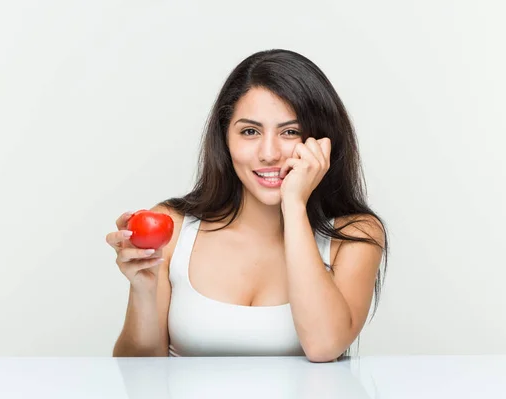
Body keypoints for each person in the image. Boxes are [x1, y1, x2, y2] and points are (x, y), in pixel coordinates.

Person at [106, 49, 389, 362]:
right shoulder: (172, 226)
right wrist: (143, 290)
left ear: (322, 142)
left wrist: (294, 205)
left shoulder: (355, 235)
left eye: (290, 132)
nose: (268, 153)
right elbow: (137, 372)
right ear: (225, 139)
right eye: (250, 131)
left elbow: (324, 346)